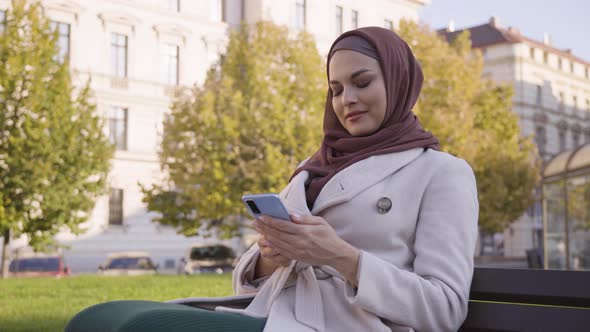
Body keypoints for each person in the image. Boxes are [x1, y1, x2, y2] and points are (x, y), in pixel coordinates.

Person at [65, 27, 478, 332]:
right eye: (335, 89)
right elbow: (250, 278)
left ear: (400, 80)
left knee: (141, 329)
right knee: (94, 320)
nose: (345, 99)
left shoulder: (441, 173)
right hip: (273, 312)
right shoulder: (312, 165)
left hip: (347, 325)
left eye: (362, 82)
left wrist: (342, 257)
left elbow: (444, 309)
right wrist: (269, 257)